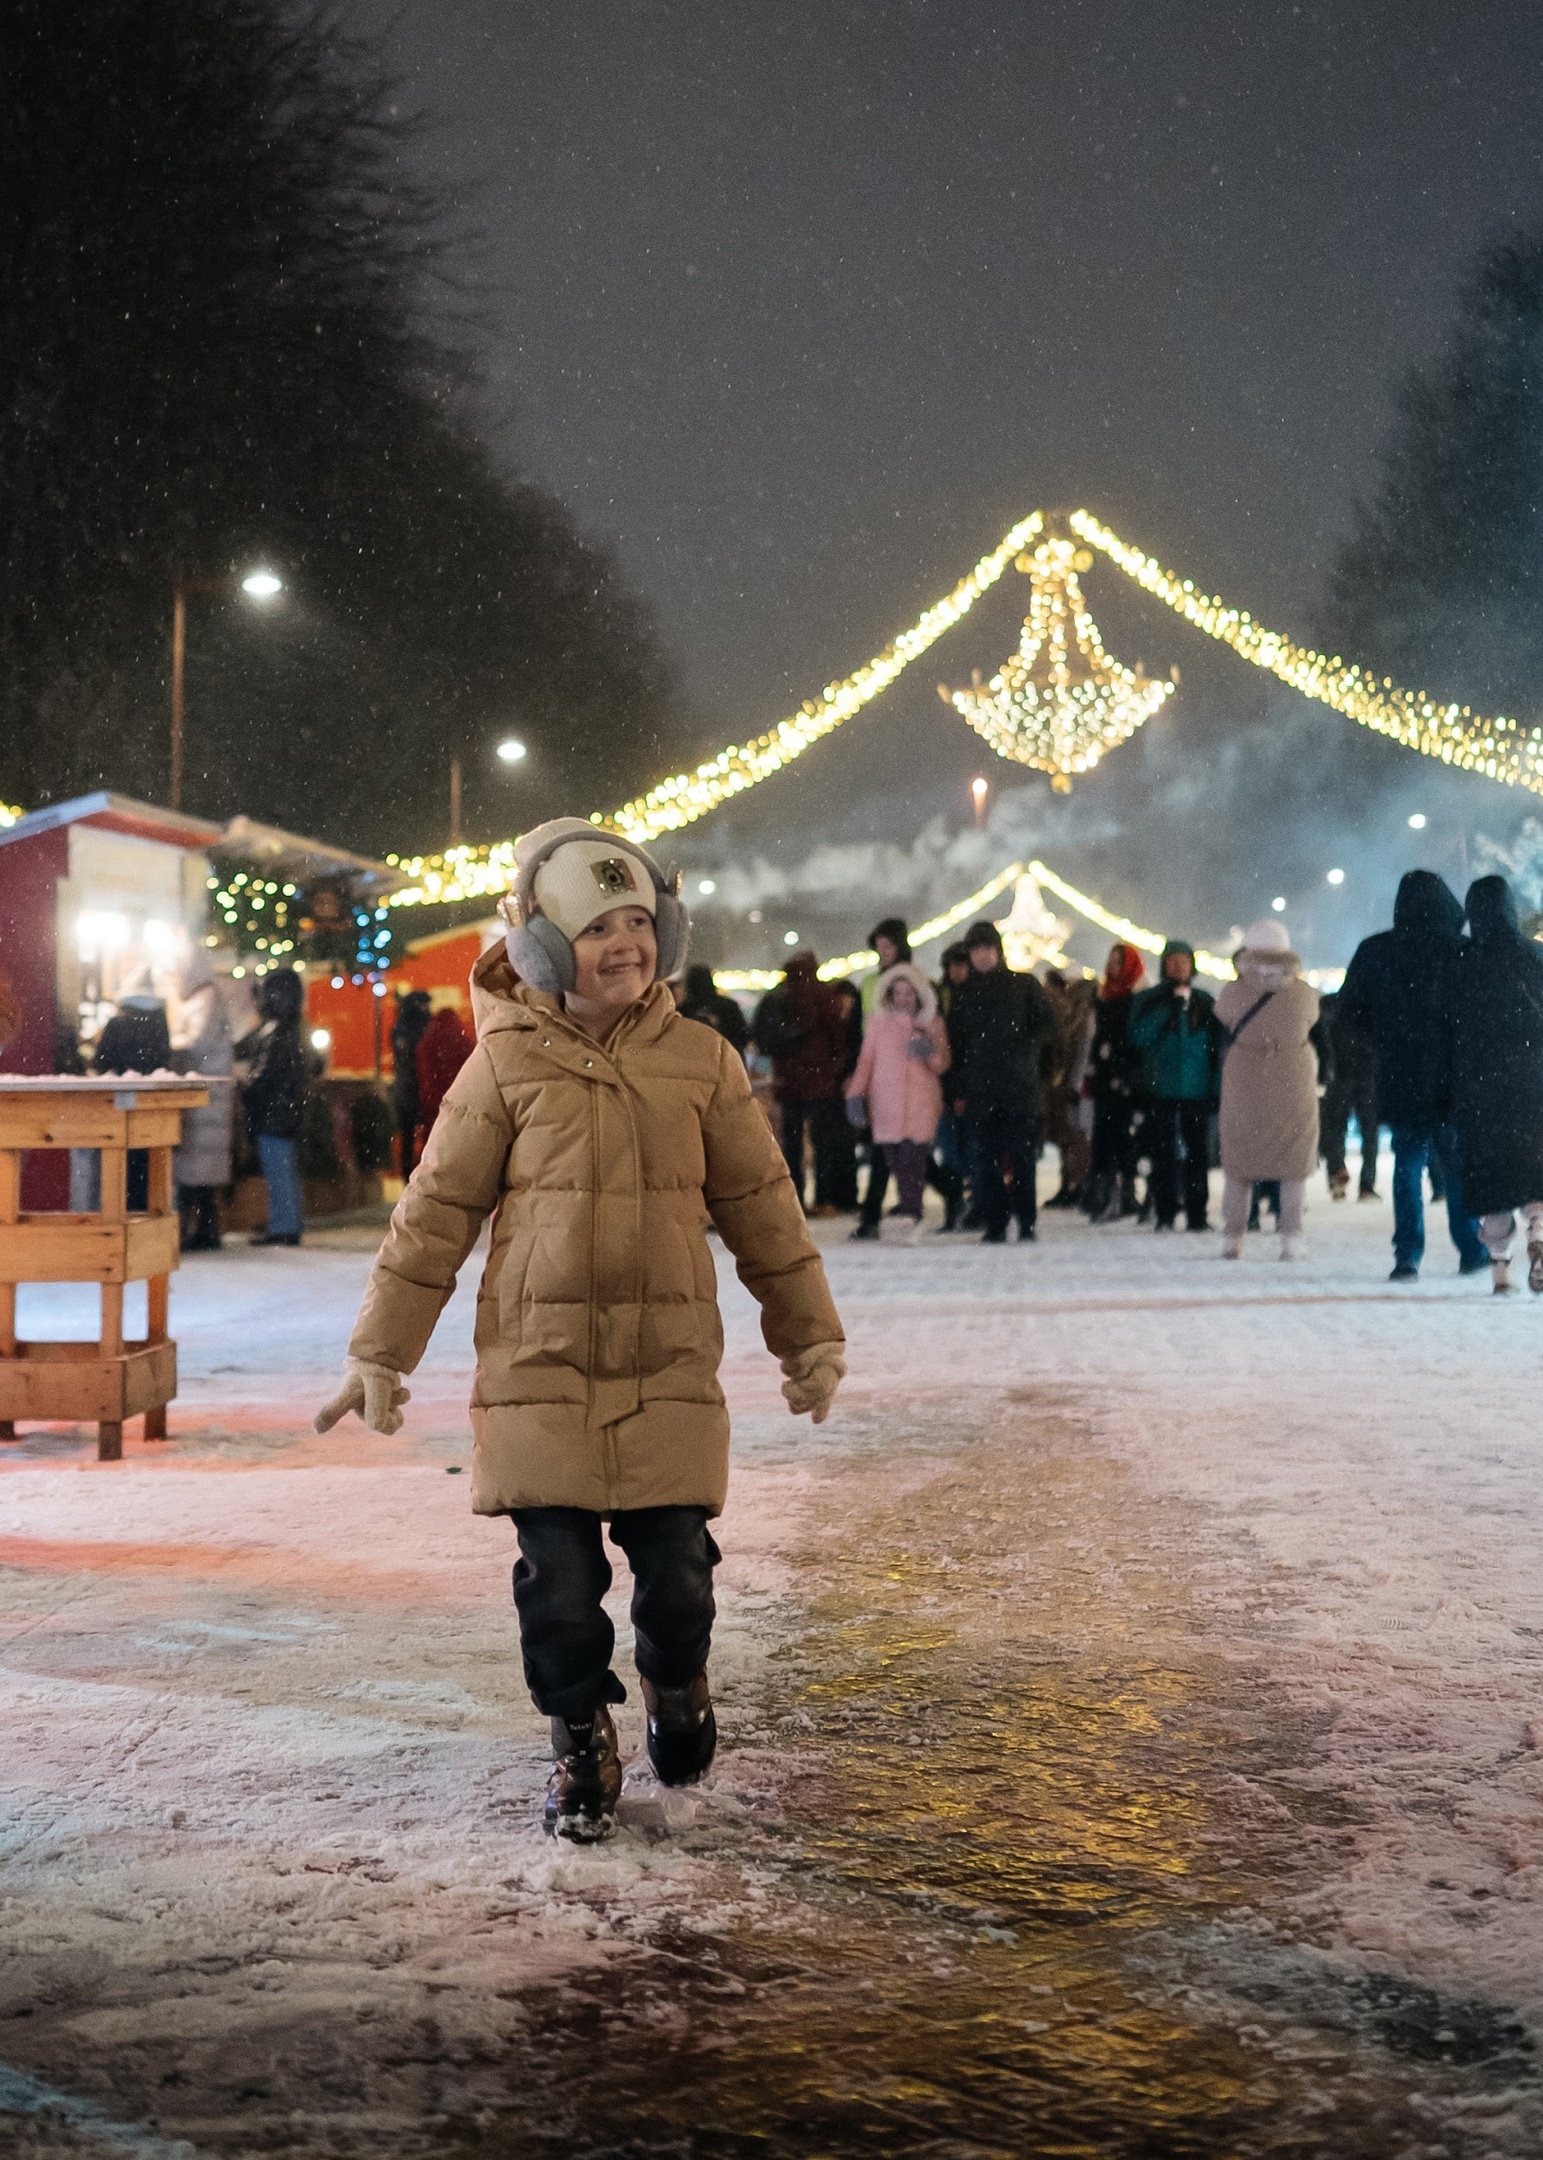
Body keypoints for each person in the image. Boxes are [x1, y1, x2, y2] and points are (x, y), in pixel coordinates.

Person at [314, 816, 844, 1842]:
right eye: (597, 927)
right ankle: (578, 1740)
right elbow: (432, 1220)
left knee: (679, 1584)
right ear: (545, 948)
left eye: (640, 922)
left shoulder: (702, 1062)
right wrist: (377, 1352)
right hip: (537, 1373)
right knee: (558, 1598)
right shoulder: (502, 1069)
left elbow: (766, 1216)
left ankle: (678, 1687)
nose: (625, 945)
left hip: (666, 1372)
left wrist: (808, 1336)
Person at [1339, 869, 1486, 1283]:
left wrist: (1384, 1035)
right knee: (1456, 1165)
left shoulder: (1376, 951)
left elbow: (1350, 1009)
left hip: (1399, 1073)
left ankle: (1408, 1255)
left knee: (1407, 1162)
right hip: (1451, 1075)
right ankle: (1471, 1248)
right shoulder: (1460, 950)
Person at [1431, 874, 1543, 1295]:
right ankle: (1538, 1227)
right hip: (1535, 1081)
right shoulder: (1537, 956)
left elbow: (1441, 1033)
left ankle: (1500, 1271)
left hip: (1479, 1088)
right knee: (1536, 1169)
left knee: (1492, 1180)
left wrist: (1442, 1090)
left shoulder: (1459, 963)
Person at [1215, 920, 1320, 1260]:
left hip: (1244, 1077)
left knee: (1239, 1161)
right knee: (1293, 1162)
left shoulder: (1233, 993)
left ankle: (1233, 1237)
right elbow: (1312, 1018)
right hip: (1292, 1076)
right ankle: (1291, 1238)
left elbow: (1222, 1016)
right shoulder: (1303, 994)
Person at [946, 920, 1055, 1244]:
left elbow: (1047, 1028)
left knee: (1022, 1158)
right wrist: (958, 1089)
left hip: (1018, 1087)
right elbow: (958, 1046)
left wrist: (1029, 1058)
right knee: (984, 1161)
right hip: (982, 1089)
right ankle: (995, 1221)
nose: (981, 956)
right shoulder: (964, 994)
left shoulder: (1023, 985)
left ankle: (1026, 1221)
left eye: (986, 948)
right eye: (975, 950)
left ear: (998, 950)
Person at [843, 962, 950, 1244]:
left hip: (920, 1103)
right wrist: (855, 1093)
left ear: (919, 995)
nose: (903, 999)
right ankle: (924, 1207)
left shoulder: (932, 1024)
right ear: (889, 996)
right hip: (886, 1105)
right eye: (898, 993)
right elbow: (866, 1062)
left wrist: (928, 1052)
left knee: (913, 1161)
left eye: (909, 993)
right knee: (895, 1160)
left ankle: (912, 1215)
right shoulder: (878, 1026)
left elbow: (942, 1064)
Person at [1129, 940, 1219, 1232]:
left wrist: (1215, 1087)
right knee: (1162, 1154)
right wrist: (1167, 1009)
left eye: (1184, 961)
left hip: (1197, 1089)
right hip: (1160, 1089)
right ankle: (1165, 1212)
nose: (1179, 967)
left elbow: (1217, 1047)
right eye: (1173, 961)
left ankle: (1197, 1214)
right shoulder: (1149, 1000)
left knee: (1197, 1155)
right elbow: (1137, 1037)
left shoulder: (1205, 1001)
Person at [753, 951, 851, 1214]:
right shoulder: (824, 995)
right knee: (823, 1144)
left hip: (789, 1080)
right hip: (820, 1081)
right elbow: (837, 1036)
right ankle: (824, 1198)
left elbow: (762, 1037)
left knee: (792, 1143)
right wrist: (834, 1065)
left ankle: (795, 1199)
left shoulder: (776, 996)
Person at [236, 969, 308, 1247]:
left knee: (279, 1169)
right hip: (285, 1111)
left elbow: (265, 1074)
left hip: (274, 1113)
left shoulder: (276, 1032)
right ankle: (287, 1222)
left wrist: (249, 1087)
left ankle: (285, 1226)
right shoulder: (291, 1030)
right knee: (283, 1168)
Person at [852, 918, 912, 1232]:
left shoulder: (914, 982)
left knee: (902, 1147)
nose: (883, 952)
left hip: (909, 1077)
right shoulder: (870, 985)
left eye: (888, 946)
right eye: (879, 947)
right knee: (887, 1147)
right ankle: (871, 1215)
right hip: (880, 1075)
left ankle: (872, 1215)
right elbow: (861, 1034)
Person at [171, 957, 234, 1251]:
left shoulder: (202, 1001)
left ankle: (194, 1231)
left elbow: (196, 1044)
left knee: (193, 1175)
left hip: (204, 1101)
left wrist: (176, 1041)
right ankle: (206, 1230)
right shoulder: (211, 998)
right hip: (213, 1099)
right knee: (202, 1179)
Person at [94, 983, 172, 1212]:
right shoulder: (159, 1025)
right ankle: (146, 1210)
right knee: (148, 1162)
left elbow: (101, 1061)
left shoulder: (117, 1024)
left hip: (119, 1102)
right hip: (151, 1103)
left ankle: (123, 1210)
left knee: (120, 1163)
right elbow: (164, 1059)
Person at [1083, 942, 1146, 1223]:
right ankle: (1104, 1193)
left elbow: (1138, 1039)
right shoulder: (1102, 995)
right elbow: (1095, 1038)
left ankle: (1125, 1193)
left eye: (1119, 961)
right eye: (1111, 960)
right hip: (1104, 1076)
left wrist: (1125, 1065)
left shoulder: (1139, 997)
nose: (1113, 965)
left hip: (1128, 1077)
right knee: (1103, 1137)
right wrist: (1092, 1069)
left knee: (1125, 1138)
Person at [1041, 968, 1097, 1206]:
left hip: (1075, 1083)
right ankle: (1073, 1184)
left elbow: (1082, 1050)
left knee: (1074, 1136)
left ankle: (1077, 1184)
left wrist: (1072, 1080)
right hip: (1069, 1082)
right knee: (1070, 1136)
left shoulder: (1080, 1015)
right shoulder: (1074, 1013)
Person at [1316, 992, 1378, 1202]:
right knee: (1369, 1132)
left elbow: (1320, 1040)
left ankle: (1336, 1172)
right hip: (1366, 1076)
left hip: (1338, 1077)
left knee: (1334, 1129)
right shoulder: (1369, 1005)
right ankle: (1366, 1186)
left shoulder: (1328, 1005)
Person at [414, 1001, 474, 1157]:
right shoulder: (462, 1042)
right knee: (454, 1137)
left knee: (432, 1135)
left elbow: (423, 1069)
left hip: (432, 1097)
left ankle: (428, 1164)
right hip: (457, 1096)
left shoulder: (427, 1042)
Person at [390, 988, 432, 1176]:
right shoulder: (424, 1027)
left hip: (406, 1087)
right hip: (420, 1087)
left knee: (408, 1134)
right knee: (427, 1135)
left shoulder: (401, 1027)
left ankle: (408, 1175)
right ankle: (420, 1172)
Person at [678, 964, 749, 1057]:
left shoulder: (684, 1010)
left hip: (695, 1059)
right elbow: (742, 1035)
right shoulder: (728, 1006)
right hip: (727, 1058)